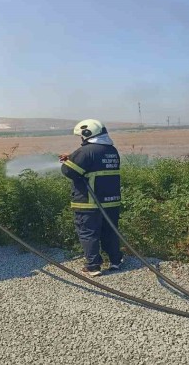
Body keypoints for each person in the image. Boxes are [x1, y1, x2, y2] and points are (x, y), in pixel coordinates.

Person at [59, 119, 124, 277]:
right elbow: (94, 164)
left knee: (88, 233)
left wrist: (68, 160)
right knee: (110, 231)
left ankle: (93, 266)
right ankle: (116, 260)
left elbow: (69, 172)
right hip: (111, 201)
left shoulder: (86, 151)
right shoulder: (112, 150)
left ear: (87, 134)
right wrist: (73, 157)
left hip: (89, 203)